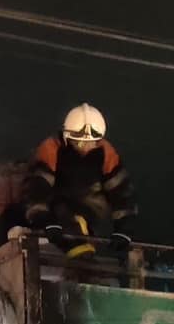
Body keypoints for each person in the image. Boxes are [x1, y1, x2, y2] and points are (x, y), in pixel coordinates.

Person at [21, 103, 137, 257]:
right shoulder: (51, 149)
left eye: (92, 142)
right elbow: (36, 188)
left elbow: (122, 193)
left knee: (77, 224)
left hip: (92, 212)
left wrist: (124, 230)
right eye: (79, 142)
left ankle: (84, 261)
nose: (86, 147)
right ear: (67, 136)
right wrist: (45, 220)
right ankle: (79, 259)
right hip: (57, 210)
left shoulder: (106, 153)